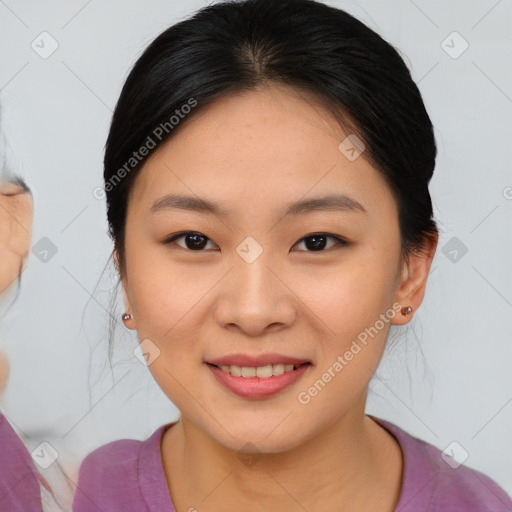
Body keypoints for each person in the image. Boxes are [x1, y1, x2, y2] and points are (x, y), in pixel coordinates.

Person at [72, 0, 512, 510]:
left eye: (317, 241)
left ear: (410, 274)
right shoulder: (54, 492)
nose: (254, 311)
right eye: (195, 240)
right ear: (124, 268)